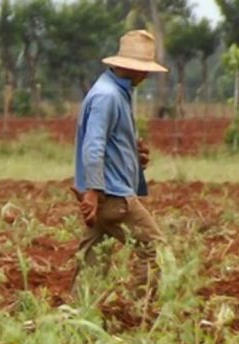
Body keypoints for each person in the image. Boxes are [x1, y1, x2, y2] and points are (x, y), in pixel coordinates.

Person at [72, 30, 168, 297]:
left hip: (104, 193)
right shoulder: (108, 96)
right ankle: (140, 312)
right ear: (130, 68)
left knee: (93, 260)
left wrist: (132, 156)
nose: (147, 75)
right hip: (112, 195)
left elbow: (107, 143)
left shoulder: (113, 91)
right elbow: (93, 146)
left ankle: (77, 316)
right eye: (144, 69)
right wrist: (93, 190)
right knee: (154, 248)